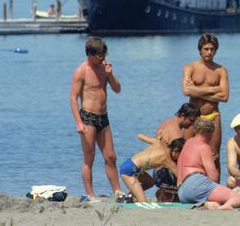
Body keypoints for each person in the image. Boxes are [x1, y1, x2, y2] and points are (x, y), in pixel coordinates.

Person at [69, 37, 125, 202]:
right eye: (100, 55)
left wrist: (110, 74)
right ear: (90, 54)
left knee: (111, 156)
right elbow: (73, 99)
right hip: (87, 117)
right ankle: (90, 195)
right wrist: (78, 122)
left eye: (104, 54)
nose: (103, 58)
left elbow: (117, 89)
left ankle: (117, 191)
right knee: (89, 156)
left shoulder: (104, 68)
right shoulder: (81, 70)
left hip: (103, 117)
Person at [182, 33, 229, 181]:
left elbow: (225, 97)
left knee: (214, 154)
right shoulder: (190, 67)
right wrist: (213, 89)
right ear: (200, 50)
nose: (209, 52)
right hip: (193, 116)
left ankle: (215, 188)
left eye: (212, 49)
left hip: (213, 115)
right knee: (187, 151)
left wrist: (197, 91)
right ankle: (184, 186)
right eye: (206, 49)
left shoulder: (221, 70)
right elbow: (186, 91)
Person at [177, 118, 240, 210]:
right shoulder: (204, 147)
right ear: (210, 133)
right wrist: (212, 162)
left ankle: (207, 204)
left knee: (214, 198)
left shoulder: (188, 142)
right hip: (195, 184)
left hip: (182, 191)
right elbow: (213, 177)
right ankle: (223, 208)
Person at [136, 102, 200, 200]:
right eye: (191, 120)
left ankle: (141, 193)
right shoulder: (176, 134)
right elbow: (175, 159)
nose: (192, 124)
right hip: (164, 172)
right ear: (182, 115)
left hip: (157, 169)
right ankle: (165, 194)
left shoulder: (167, 123)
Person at [119, 137, 185, 203]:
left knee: (150, 182)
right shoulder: (167, 160)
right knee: (143, 202)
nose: (180, 159)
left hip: (129, 164)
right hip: (129, 171)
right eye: (181, 156)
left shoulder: (159, 143)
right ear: (175, 150)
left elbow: (140, 136)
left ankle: (125, 196)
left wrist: (159, 137)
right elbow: (180, 178)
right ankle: (123, 196)